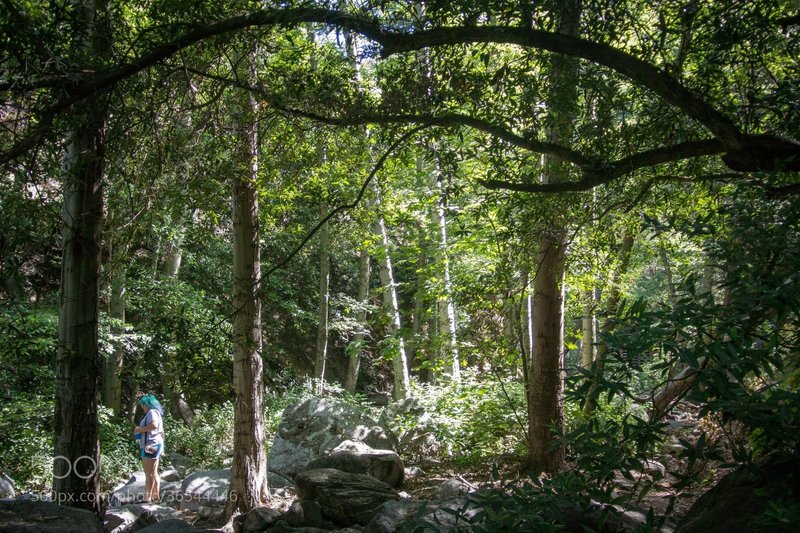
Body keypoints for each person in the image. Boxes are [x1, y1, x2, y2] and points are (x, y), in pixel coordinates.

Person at [133, 394, 165, 502]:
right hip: (156, 444)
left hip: (150, 445)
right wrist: (163, 448)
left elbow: (154, 425)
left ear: (147, 404)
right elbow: (161, 432)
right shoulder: (157, 413)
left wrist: (139, 430)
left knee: (148, 473)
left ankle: (147, 499)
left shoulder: (151, 413)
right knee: (154, 472)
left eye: (143, 404)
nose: (142, 407)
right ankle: (156, 497)